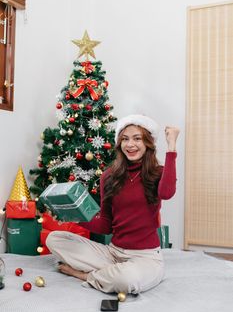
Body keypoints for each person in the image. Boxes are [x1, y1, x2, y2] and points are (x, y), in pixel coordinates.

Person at [46, 114, 179, 295]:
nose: (130, 144)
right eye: (125, 139)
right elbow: (105, 225)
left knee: (127, 280)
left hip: (145, 258)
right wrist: (71, 215)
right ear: (119, 144)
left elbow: (167, 193)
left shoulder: (158, 173)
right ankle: (109, 273)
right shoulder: (108, 176)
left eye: (137, 138)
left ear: (148, 143)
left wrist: (171, 147)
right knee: (54, 238)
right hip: (112, 254)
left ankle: (86, 275)